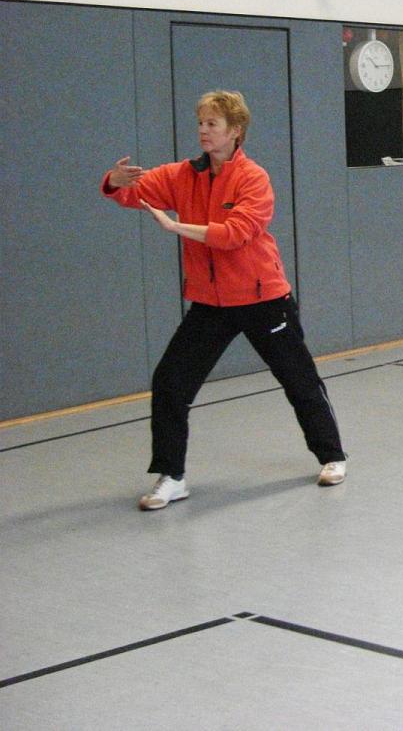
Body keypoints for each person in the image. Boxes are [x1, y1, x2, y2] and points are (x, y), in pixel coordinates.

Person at [101, 90, 348, 511]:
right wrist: (115, 182)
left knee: (299, 380)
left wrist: (181, 229)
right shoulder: (183, 175)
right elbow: (134, 194)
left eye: (212, 124)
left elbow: (235, 234)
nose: (202, 131)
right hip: (210, 304)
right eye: (200, 123)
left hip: (262, 298)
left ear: (235, 131)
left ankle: (331, 456)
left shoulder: (253, 178)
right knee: (170, 382)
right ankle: (172, 476)